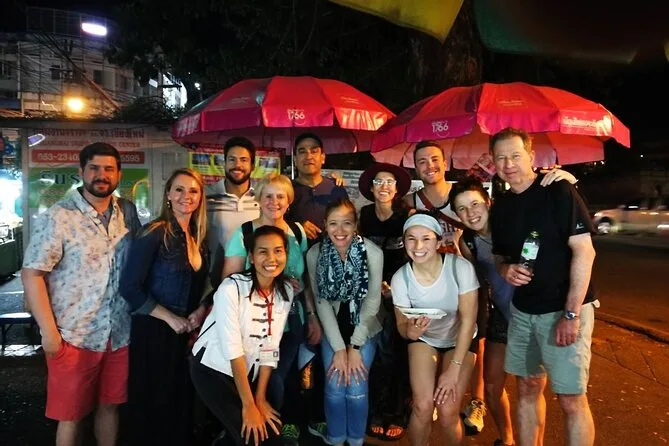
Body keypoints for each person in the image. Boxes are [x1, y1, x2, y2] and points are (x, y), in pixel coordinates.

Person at [21, 142, 141, 446]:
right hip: (74, 335)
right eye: (94, 168)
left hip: (119, 333)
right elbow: (32, 273)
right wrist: (49, 332)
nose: (102, 175)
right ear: (81, 171)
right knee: (70, 416)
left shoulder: (126, 213)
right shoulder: (58, 216)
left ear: (118, 174)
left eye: (109, 169)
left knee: (110, 406)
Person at [449, 171, 577, 446]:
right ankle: (507, 439)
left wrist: (565, 179)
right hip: (503, 315)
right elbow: (477, 284)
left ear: (488, 202)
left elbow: (543, 209)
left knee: (531, 385)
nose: (470, 213)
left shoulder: (512, 223)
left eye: (475, 204)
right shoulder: (467, 241)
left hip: (534, 310)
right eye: (462, 209)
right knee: (492, 385)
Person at [489, 128, 598, 446]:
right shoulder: (502, 206)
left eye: (515, 155)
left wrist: (571, 314)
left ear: (531, 157)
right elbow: (499, 255)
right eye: (500, 158)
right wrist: (505, 268)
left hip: (563, 309)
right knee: (527, 386)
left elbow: (585, 251)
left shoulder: (558, 190)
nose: (508, 164)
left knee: (570, 398)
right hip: (524, 311)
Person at [222, 173, 322, 446]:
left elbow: (305, 281)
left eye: (280, 196)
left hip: (290, 320)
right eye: (268, 195)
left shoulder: (298, 233)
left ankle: (277, 428)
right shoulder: (244, 233)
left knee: (281, 376)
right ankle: (257, 431)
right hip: (252, 324)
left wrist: (312, 315)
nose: (274, 202)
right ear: (258, 199)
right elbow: (228, 281)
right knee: (260, 378)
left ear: (289, 201)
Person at [120, 168, 209, 445]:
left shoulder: (198, 238)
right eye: (179, 189)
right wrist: (170, 318)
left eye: (193, 190)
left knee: (179, 402)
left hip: (185, 334)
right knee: (154, 404)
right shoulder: (154, 232)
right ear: (168, 194)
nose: (186, 196)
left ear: (200, 197)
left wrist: (199, 311)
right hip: (154, 331)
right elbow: (129, 287)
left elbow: (202, 287)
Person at [402, 140, 486, 432]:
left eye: (435, 159)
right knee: (431, 334)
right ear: (415, 167)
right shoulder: (410, 202)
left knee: (473, 336)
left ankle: (476, 401)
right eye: (422, 161)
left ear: (445, 162)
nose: (430, 166)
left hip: (467, 278)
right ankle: (432, 396)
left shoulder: (462, 195)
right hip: (430, 283)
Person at [190, 225, 295, 446]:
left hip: (247, 372)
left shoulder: (285, 290)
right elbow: (233, 350)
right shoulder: (231, 288)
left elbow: (271, 345)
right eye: (263, 251)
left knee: (262, 432)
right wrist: (249, 405)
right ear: (251, 257)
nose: (271, 258)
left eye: (278, 251)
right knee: (255, 437)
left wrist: (260, 398)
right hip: (212, 369)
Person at [391, 213, 479, 446]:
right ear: (404, 242)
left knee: (448, 410)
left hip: (460, 337)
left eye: (426, 239)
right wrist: (409, 332)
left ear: (439, 241)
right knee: (422, 406)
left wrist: (453, 370)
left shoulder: (460, 268)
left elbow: (469, 320)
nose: (418, 246)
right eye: (411, 239)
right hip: (426, 338)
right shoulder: (401, 278)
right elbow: (402, 325)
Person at [306, 198, 383, 446]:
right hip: (333, 329)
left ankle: (356, 440)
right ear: (325, 225)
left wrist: (355, 346)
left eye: (346, 223)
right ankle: (336, 439)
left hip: (364, 328)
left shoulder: (373, 253)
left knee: (357, 388)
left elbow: (372, 302)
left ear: (355, 225)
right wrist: (340, 348)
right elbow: (321, 301)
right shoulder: (315, 254)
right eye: (333, 223)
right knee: (335, 385)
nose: (340, 230)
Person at [357, 162, 413, 441]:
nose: (384, 186)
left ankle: (398, 411)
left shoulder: (407, 216)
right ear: (371, 187)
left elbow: (418, 255)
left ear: (397, 189)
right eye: (378, 181)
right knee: (377, 354)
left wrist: (397, 288)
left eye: (389, 182)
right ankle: (377, 410)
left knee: (398, 352)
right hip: (371, 294)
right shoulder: (365, 215)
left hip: (401, 294)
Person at [207, 137, 261, 287]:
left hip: (254, 281)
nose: (237, 165)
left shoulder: (263, 197)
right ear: (224, 163)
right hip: (212, 282)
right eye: (232, 159)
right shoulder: (206, 196)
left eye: (244, 160)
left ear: (252, 165)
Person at [285, 132, 348, 246]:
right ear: (295, 159)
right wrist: (297, 226)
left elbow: (349, 222)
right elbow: (275, 221)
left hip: (332, 252)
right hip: (294, 253)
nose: (308, 157)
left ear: (323, 158)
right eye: (302, 152)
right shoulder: (286, 190)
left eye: (314, 151)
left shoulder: (336, 189)